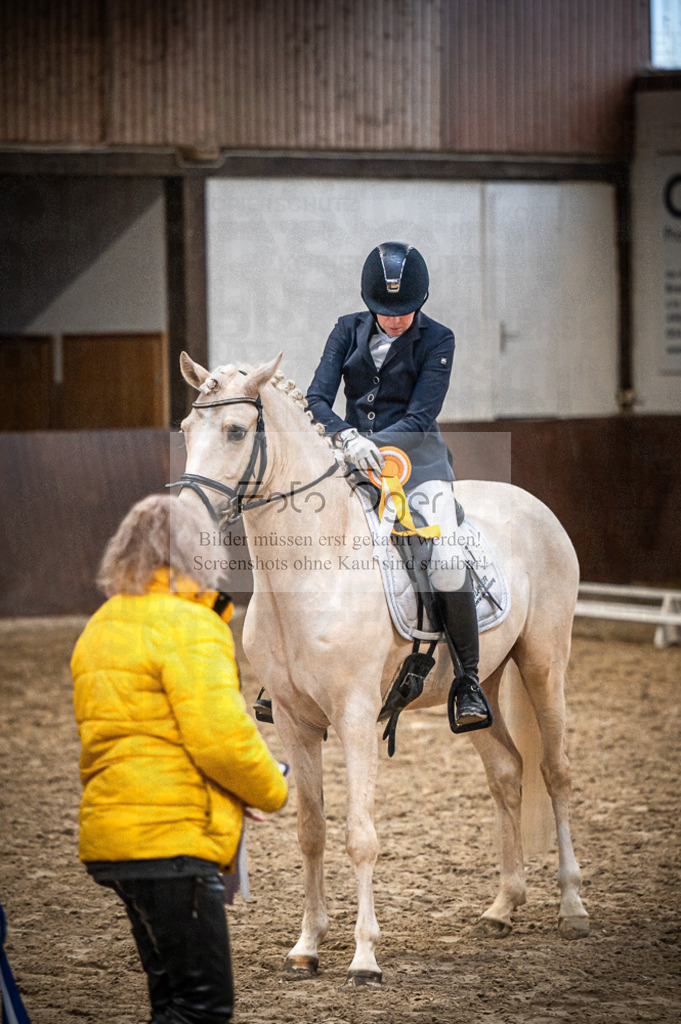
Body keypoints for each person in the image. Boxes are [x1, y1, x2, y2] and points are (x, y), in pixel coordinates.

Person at [71, 494, 288, 1024]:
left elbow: (143, 735)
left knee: (171, 1004)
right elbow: (221, 741)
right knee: (202, 1010)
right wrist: (271, 791)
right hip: (171, 845)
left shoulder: (102, 624)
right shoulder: (190, 625)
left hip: (116, 840)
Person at [305, 241, 492, 732]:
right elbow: (316, 399)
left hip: (419, 466)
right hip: (350, 461)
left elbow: (420, 417)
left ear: (420, 301)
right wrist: (347, 438)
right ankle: (290, 674)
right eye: (385, 311)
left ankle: (468, 681)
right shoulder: (346, 329)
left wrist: (371, 444)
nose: (394, 320)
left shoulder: (439, 339)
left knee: (446, 556)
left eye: (404, 311)